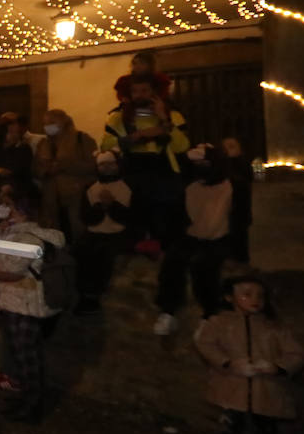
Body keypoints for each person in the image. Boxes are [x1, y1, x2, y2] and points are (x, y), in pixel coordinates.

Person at [194, 273, 304, 434]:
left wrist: (276, 367)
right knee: (232, 430)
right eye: (246, 294)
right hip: (234, 389)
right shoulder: (219, 323)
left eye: (260, 295)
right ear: (229, 298)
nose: (255, 299)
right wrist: (228, 362)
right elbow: (205, 344)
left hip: (267, 392)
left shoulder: (273, 328)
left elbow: (296, 353)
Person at [0, 193, 65, 423]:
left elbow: (12, 268)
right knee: (20, 356)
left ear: (21, 209)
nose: (3, 208)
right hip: (14, 301)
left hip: (26, 304)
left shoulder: (29, 237)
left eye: (8, 205)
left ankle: (33, 405)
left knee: (28, 357)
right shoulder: (14, 233)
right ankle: (26, 399)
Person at [100, 73, 189, 253]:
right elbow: (107, 146)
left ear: (155, 92)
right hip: (132, 180)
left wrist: (164, 119)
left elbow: (182, 147)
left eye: (144, 90)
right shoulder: (117, 118)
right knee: (133, 234)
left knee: (167, 235)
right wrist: (139, 136)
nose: (139, 95)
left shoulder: (174, 116)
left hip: (165, 181)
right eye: (135, 91)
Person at [153, 144, 232, 335]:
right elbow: (179, 217)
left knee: (205, 267)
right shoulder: (190, 187)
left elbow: (240, 218)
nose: (200, 167)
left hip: (219, 238)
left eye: (204, 163)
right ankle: (168, 312)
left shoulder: (231, 186)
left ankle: (210, 316)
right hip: (192, 237)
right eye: (196, 164)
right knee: (172, 262)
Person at [75, 150, 134, 315]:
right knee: (81, 251)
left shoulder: (128, 187)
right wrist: (101, 207)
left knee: (104, 255)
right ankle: (83, 295)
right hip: (94, 232)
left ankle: (94, 296)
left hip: (118, 234)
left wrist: (112, 206)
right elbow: (86, 217)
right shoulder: (90, 189)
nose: (106, 168)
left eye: (110, 164)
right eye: (102, 164)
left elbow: (132, 218)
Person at [34, 109, 98, 243]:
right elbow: (35, 168)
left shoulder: (82, 140)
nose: (48, 127)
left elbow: (93, 165)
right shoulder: (43, 144)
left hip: (77, 195)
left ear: (63, 122)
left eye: (52, 122)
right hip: (51, 199)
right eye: (45, 123)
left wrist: (65, 165)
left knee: (79, 233)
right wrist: (45, 170)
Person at [220, 137, 254, 263]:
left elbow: (245, 182)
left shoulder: (243, 164)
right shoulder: (222, 165)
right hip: (225, 211)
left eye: (232, 146)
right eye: (226, 147)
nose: (228, 150)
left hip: (240, 210)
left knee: (240, 239)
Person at [0, 117, 35, 198]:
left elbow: (23, 168)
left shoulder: (24, 148)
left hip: (18, 181)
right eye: (11, 132)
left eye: (17, 132)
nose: (15, 135)